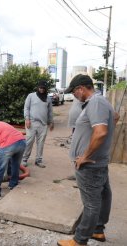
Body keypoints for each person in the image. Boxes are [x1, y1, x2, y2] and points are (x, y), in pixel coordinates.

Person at [57, 74, 116, 246]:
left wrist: (85, 156)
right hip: (98, 161)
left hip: (90, 164)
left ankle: (80, 240)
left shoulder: (95, 102)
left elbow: (101, 132)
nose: (74, 96)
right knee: (104, 195)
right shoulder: (102, 101)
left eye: (74, 92)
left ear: (81, 89)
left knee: (91, 202)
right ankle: (97, 230)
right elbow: (115, 117)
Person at [22, 80, 54, 168]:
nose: (41, 89)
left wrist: (51, 122)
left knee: (41, 143)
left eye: (43, 88)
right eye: (40, 87)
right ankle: (24, 159)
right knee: (29, 141)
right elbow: (26, 108)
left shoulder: (48, 99)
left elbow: (50, 111)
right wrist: (27, 119)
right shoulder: (31, 96)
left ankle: (38, 160)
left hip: (43, 124)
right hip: (31, 123)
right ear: (37, 87)